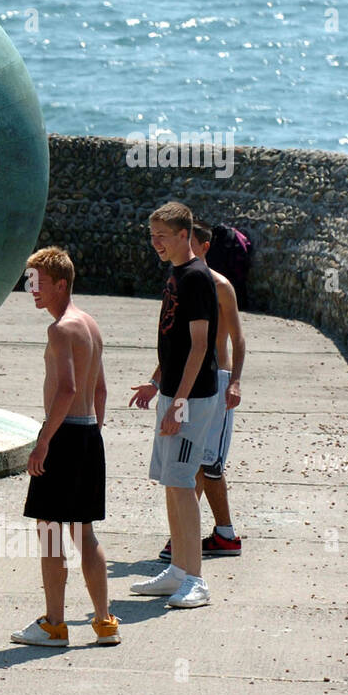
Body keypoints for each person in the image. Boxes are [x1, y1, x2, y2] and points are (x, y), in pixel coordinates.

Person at [11, 247, 119, 647]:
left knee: (52, 534)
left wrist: (44, 443)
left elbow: (67, 389)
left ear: (61, 283)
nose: (31, 290)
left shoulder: (60, 330)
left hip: (65, 436)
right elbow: (101, 391)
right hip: (89, 434)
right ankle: (105, 622)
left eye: (38, 282)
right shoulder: (90, 324)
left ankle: (54, 625)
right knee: (85, 534)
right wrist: (89, 437)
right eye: (29, 282)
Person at [129, 202, 222, 608]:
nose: (156, 243)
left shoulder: (198, 278)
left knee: (184, 484)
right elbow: (174, 340)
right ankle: (178, 571)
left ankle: (196, 580)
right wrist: (156, 383)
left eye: (162, 236)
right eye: (152, 236)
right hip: (173, 392)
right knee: (171, 482)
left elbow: (200, 347)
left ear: (184, 235)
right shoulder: (175, 274)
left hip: (193, 397)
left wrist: (179, 402)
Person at [158, 222, 246, 561]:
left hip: (218, 384)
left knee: (208, 463)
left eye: (189, 243)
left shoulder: (220, 286)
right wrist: (156, 381)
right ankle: (219, 535)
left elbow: (238, 337)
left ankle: (191, 539)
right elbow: (172, 339)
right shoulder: (179, 281)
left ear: (203, 247)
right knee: (194, 459)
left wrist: (235, 380)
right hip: (190, 384)